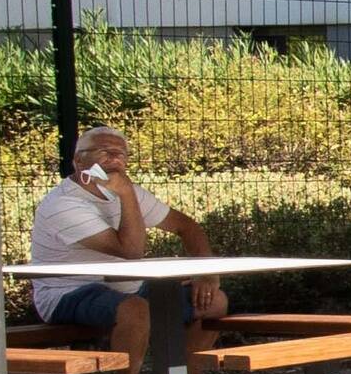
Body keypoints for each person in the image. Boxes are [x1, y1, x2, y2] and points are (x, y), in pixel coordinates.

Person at [27, 125, 228, 339]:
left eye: (121, 154)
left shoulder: (129, 192)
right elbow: (131, 251)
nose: (114, 158)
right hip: (67, 293)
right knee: (135, 310)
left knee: (214, 301)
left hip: (128, 289)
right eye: (104, 152)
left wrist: (207, 274)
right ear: (79, 161)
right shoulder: (63, 204)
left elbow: (186, 227)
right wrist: (126, 193)